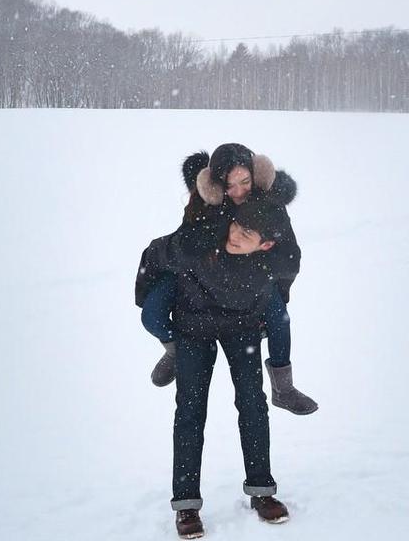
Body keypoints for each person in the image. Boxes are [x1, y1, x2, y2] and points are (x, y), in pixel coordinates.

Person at [137, 198, 298, 538]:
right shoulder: (203, 241)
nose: (235, 236)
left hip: (241, 330)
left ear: (265, 245)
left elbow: (281, 304)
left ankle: (262, 491)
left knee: (253, 405)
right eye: (236, 227)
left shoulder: (266, 266)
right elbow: (158, 256)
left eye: (247, 235)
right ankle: (186, 505)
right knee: (190, 412)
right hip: (192, 330)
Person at [136, 143, 317, 415]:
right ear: (218, 184)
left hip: (250, 278)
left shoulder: (268, 203)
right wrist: (192, 249)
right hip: (195, 274)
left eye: (244, 182)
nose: (239, 191)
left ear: (255, 176)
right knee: (151, 314)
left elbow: (288, 256)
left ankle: (283, 388)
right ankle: (175, 351)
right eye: (230, 185)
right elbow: (185, 241)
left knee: (280, 318)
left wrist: (264, 278)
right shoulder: (206, 199)